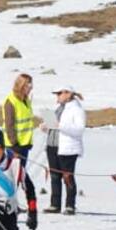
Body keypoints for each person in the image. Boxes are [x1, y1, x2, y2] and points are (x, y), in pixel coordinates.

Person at [2, 73, 40, 230]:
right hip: (14, 146)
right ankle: (10, 204)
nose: (30, 87)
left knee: (17, 177)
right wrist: (14, 145)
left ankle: (14, 204)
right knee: (16, 176)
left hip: (24, 145)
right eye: (27, 84)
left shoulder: (26, 100)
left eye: (30, 84)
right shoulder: (11, 101)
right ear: (20, 85)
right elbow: (10, 125)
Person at [43, 86, 85, 214]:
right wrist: (46, 127)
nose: (57, 96)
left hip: (67, 148)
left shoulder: (77, 110)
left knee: (67, 177)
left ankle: (70, 205)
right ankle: (55, 204)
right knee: (55, 176)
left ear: (68, 94)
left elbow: (79, 129)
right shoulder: (58, 109)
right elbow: (55, 126)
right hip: (52, 146)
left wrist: (59, 125)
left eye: (59, 93)